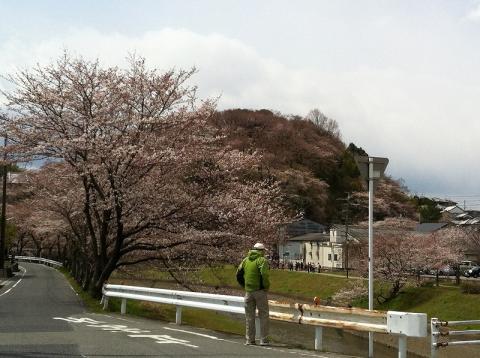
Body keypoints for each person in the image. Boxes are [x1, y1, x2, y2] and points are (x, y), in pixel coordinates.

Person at [236, 242, 270, 346]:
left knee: (249, 316)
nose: (264, 252)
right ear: (261, 251)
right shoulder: (262, 260)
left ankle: (249, 340)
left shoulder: (245, 260)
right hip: (259, 291)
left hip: (248, 291)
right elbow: (264, 274)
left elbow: (238, 274)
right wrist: (266, 286)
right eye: (264, 250)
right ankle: (263, 339)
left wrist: (244, 285)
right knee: (263, 315)